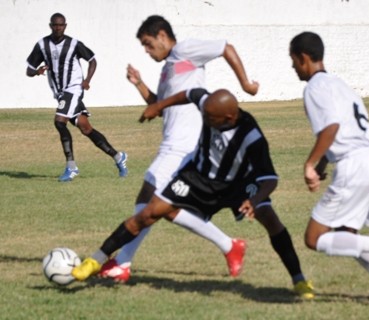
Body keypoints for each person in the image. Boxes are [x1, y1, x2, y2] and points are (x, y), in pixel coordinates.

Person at [73, 88, 314, 299]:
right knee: (148, 213)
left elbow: (270, 179)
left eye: (211, 118)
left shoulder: (251, 137)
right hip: (195, 177)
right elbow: (189, 93)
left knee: (270, 219)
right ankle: (94, 261)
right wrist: (158, 106)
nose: (206, 120)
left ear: (229, 117)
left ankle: (299, 279)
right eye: (205, 115)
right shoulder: (209, 104)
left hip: (238, 183)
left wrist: (255, 200)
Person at [97, 15, 259, 283]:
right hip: (178, 143)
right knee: (165, 207)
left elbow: (225, 47)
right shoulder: (169, 68)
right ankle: (230, 246)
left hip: (182, 145)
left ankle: (122, 263)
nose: (148, 52)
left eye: (148, 44)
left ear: (162, 35)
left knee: (150, 200)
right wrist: (138, 83)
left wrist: (246, 84)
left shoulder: (184, 51)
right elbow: (160, 105)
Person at [289, 31, 369, 301]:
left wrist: (310, 164)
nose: (293, 67)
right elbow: (342, 126)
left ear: (304, 58)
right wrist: (323, 164)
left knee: (314, 238)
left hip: (353, 165)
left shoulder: (314, 87)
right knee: (347, 236)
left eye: (293, 61)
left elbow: (331, 127)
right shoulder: (340, 84)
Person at [26, 13, 128, 182]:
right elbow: (28, 69)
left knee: (59, 122)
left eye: (61, 25)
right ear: (50, 25)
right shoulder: (42, 45)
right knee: (86, 128)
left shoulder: (74, 44)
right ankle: (118, 157)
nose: (58, 28)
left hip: (73, 89)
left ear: (65, 26)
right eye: (55, 25)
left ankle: (71, 167)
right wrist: (37, 72)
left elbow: (93, 60)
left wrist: (87, 80)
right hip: (60, 94)